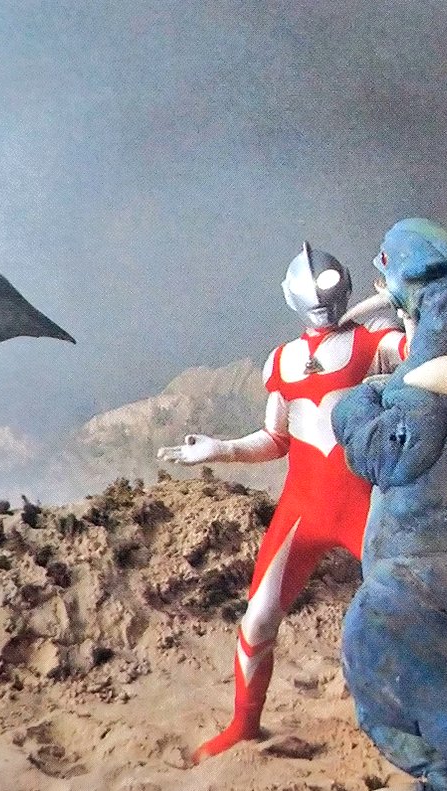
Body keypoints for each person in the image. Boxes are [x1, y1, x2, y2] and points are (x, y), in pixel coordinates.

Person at [157, 242, 407, 762]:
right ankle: (244, 725)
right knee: (257, 620)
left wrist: (401, 304)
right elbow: (275, 439)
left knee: (415, 606)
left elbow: (427, 354)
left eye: (329, 291)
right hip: (302, 510)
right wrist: (219, 449)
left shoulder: (373, 341)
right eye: (312, 294)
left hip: (363, 504)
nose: (322, 303)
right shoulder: (282, 360)